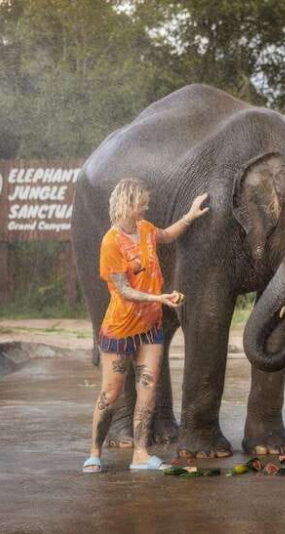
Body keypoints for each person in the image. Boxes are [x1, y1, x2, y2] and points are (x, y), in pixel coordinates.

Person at [82, 177, 208, 473]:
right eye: (142, 203)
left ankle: (140, 454)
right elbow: (123, 290)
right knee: (110, 394)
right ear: (128, 203)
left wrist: (190, 216)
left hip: (151, 326)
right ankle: (94, 453)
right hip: (120, 329)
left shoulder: (146, 229)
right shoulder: (111, 242)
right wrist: (159, 297)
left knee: (148, 388)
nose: (146, 207)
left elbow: (167, 235)